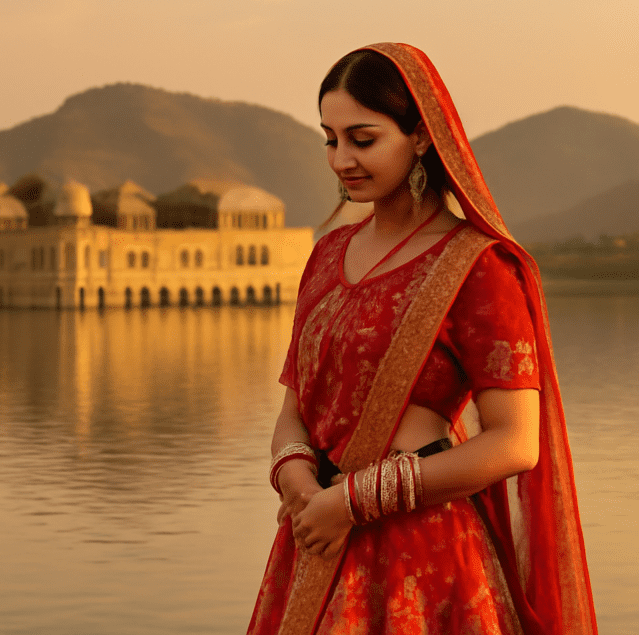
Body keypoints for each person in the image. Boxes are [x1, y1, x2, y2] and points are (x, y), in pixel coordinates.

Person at [247, 43, 598, 635]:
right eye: (330, 140)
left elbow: (516, 444)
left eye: (363, 139)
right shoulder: (326, 256)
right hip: (315, 539)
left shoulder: (477, 266)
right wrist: (299, 482)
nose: (341, 160)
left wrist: (354, 501)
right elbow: (294, 408)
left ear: (420, 137)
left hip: (422, 555)